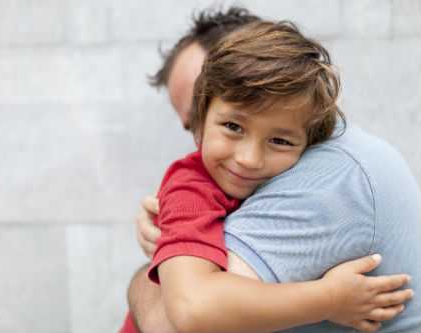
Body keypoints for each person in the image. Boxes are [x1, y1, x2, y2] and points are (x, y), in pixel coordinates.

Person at [121, 7, 421, 333]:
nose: (249, 158)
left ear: (311, 134)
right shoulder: (191, 191)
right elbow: (192, 310)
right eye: (232, 126)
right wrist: (327, 299)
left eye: (279, 139)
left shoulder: (329, 176)